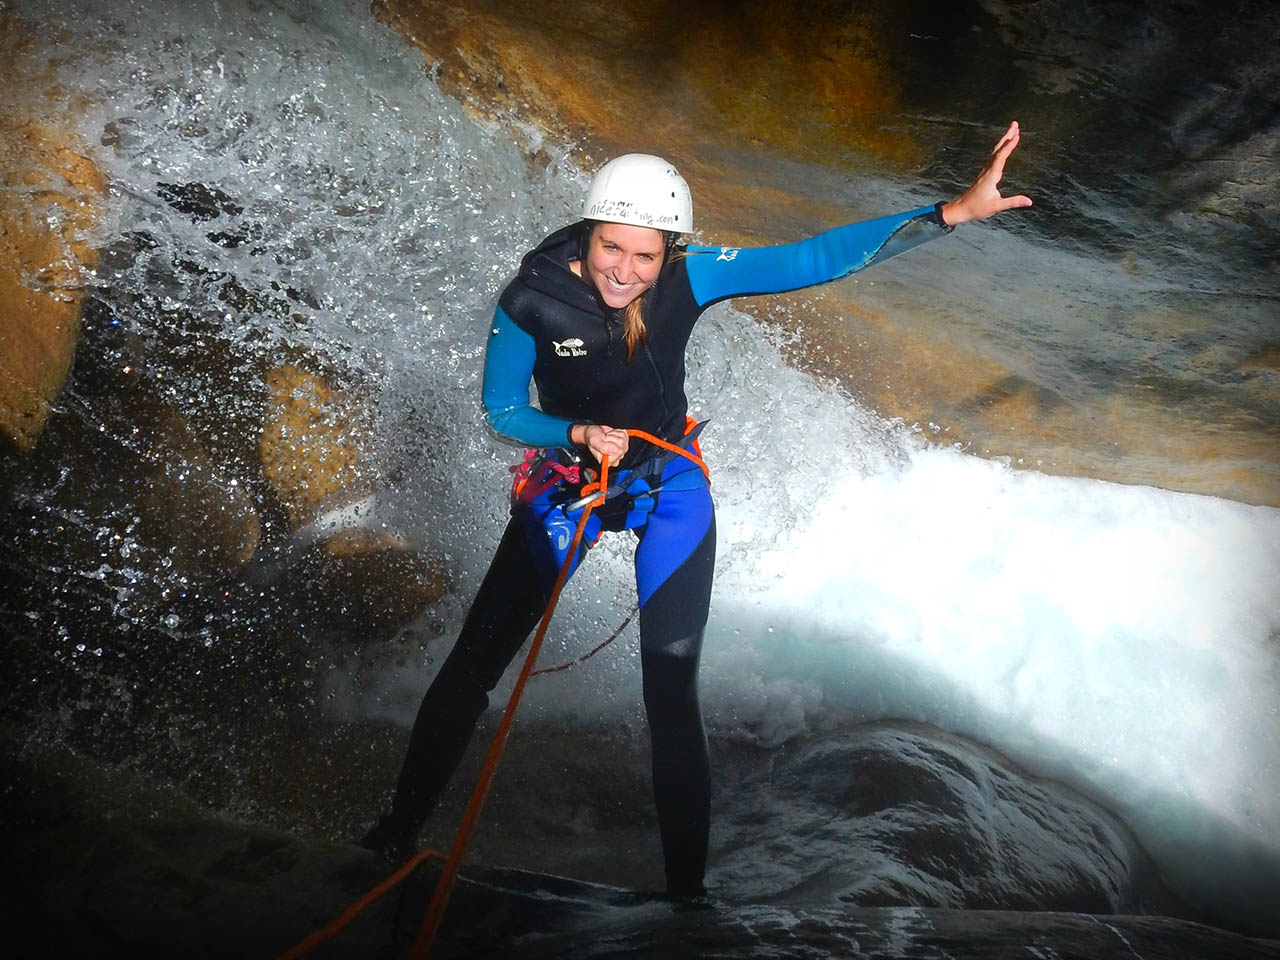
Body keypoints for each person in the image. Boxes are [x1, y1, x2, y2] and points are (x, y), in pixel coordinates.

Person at [362, 122, 1033, 899]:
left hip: (666, 485)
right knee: (470, 672)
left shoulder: (690, 277)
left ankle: (687, 899)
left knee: (670, 692)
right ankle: (394, 834)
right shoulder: (531, 300)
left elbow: (810, 259)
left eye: (645, 255)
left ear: (668, 253)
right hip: (570, 482)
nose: (626, 270)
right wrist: (573, 431)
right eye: (612, 248)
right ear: (587, 231)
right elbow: (501, 410)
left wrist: (948, 215)